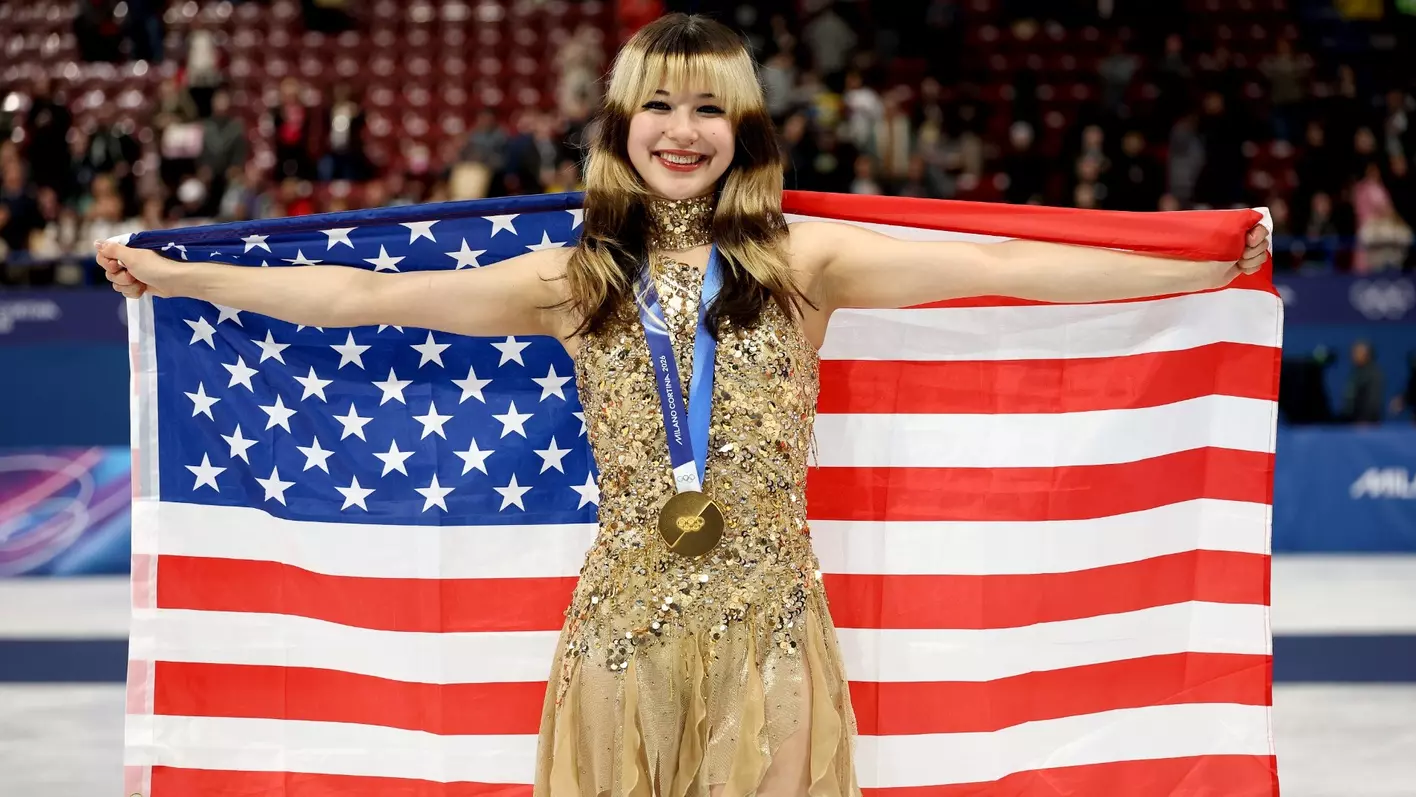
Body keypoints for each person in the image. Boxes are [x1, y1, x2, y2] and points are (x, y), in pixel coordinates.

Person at [94, 14, 1269, 797]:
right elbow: (363, 295)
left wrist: (1196, 261)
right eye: (660, 105)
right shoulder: (575, 279)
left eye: (709, 108)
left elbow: (1004, 266)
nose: (683, 130)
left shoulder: (804, 262)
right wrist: (182, 274)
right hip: (622, 624)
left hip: (773, 624)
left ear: (743, 129)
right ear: (622, 125)